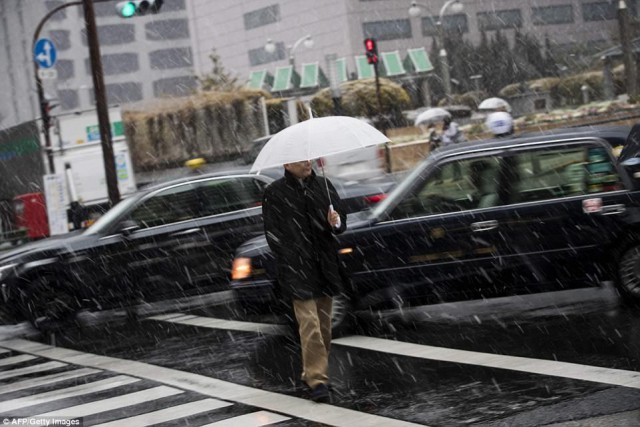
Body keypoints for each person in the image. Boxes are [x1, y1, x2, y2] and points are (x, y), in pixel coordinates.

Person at [262, 159, 347, 403]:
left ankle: (312, 372)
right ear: (287, 164)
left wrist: (336, 223)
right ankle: (317, 381)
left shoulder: (323, 185)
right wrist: (290, 256)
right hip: (296, 269)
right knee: (309, 326)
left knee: (324, 327)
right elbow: (272, 233)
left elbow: (341, 223)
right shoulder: (274, 192)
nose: (307, 162)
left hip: (324, 267)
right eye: (301, 159)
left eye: (308, 157)